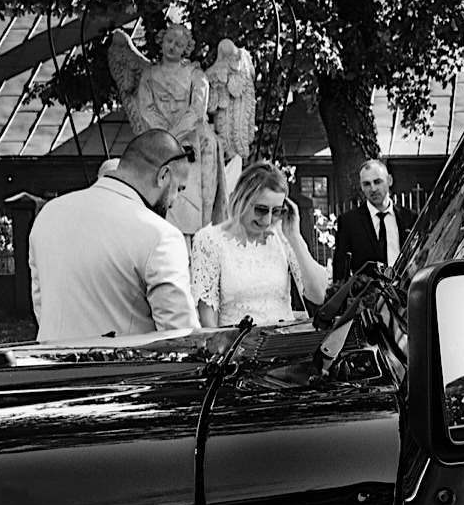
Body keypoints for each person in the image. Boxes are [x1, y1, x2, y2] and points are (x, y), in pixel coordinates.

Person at [29, 129, 201, 341]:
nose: (174, 201)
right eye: (179, 189)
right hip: (121, 362)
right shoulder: (160, 235)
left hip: (46, 359)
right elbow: (180, 336)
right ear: (163, 175)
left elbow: (42, 308)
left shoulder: (48, 214)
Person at [190, 161, 333, 327]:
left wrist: (295, 237)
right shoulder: (209, 240)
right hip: (236, 341)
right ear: (241, 199)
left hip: (282, 338)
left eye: (276, 211)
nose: (267, 220)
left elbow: (318, 296)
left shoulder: (283, 236)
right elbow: (209, 319)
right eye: (261, 210)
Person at [126, 23, 226, 236]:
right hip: (159, 137)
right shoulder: (149, 75)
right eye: (169, 41)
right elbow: (146, 109)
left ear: (186, 49)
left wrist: (173, 135)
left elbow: (197, 109)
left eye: (179, 44)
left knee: (202, 171)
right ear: (161, 42)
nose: (172, 47)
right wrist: (165, 136)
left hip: (191, 138)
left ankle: (203, 232)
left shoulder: (196, 75)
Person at [332, 160, 420, 281]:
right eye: (367, 184)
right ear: (361, 187)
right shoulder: (349, 222)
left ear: (389, 180)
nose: (373, 189)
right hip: (367, 291)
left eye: (377, 182)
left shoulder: (410, 219)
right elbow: (340, 272)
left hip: (405, 289)